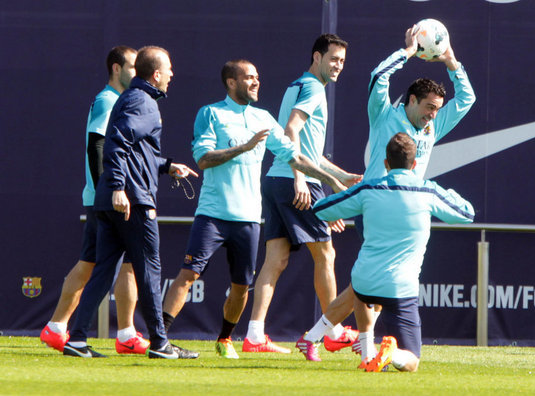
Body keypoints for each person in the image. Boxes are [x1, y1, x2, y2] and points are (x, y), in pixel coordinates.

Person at [296, 24, 476, 361]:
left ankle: (320, 338)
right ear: (411, 101)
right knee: (369, 286)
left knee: (365, 286)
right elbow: (379, 76)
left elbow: (467, 99)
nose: (433, 115)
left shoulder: (432, 126)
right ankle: (361, 347)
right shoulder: (384, 115)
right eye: (428, 107)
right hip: (376, 205)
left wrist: (451, 60)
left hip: (409, 209)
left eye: (437, 109)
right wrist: (408, 52)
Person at [161, 59, 348, 359]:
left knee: (240, 287)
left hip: (248, 219)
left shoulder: (263, 117)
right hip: (212, 215)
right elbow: (203, 159)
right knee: (188, 275)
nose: (256, 82)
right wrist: (243, 148)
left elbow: (295, 156)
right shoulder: (211, 113)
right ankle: (160, 338)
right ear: (231, 83)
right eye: (248, 78)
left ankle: (225, 339)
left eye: (257, 77)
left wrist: (331, 181)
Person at [63, 46, 199, 359]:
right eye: (168, 69)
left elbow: (137, 151)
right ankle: (161, 344)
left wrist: (166, 166)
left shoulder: (132, 97)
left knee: (104, 272)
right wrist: (117, 189)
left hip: (117, 202)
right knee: (149, 270)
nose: (172, 75)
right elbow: (117, 144)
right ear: (155, 74)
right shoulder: (143, 101)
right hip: (132, 202)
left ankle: (77, 339)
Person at [312, 132, 474, 372]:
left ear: (385, 164)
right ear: (415, 164)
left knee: (362, 286)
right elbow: (467, 214)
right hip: (400, 287)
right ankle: (392, 354)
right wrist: (446, 192)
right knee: (411, 362)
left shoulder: (368, 188)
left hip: (364, 284)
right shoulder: (428, 191)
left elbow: (321, 209)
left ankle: (368, 355)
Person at [243, 33, 362, 355]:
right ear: (317, 57)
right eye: (334, 59)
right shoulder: (312, 88)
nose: (338, 66)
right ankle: (333, 330)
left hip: (275, 180)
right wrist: (299, 179)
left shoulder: (298, 85)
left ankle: (254, 334)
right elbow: (291, 131)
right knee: (326, 254)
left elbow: (310, 151)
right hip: (294, 181)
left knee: (276, 259)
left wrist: (341, 175)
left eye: (342, 61)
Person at [40, 46, 150, 355]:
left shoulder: (119, 100)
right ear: (116, 68)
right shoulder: (108, 100)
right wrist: (110, 190)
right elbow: (96, 144)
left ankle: (62, 327)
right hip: (108, 200)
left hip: (108, 198)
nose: (137, 73)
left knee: (100, 263)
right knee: (115, 264)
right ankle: (68, 328)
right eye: (132, 67)